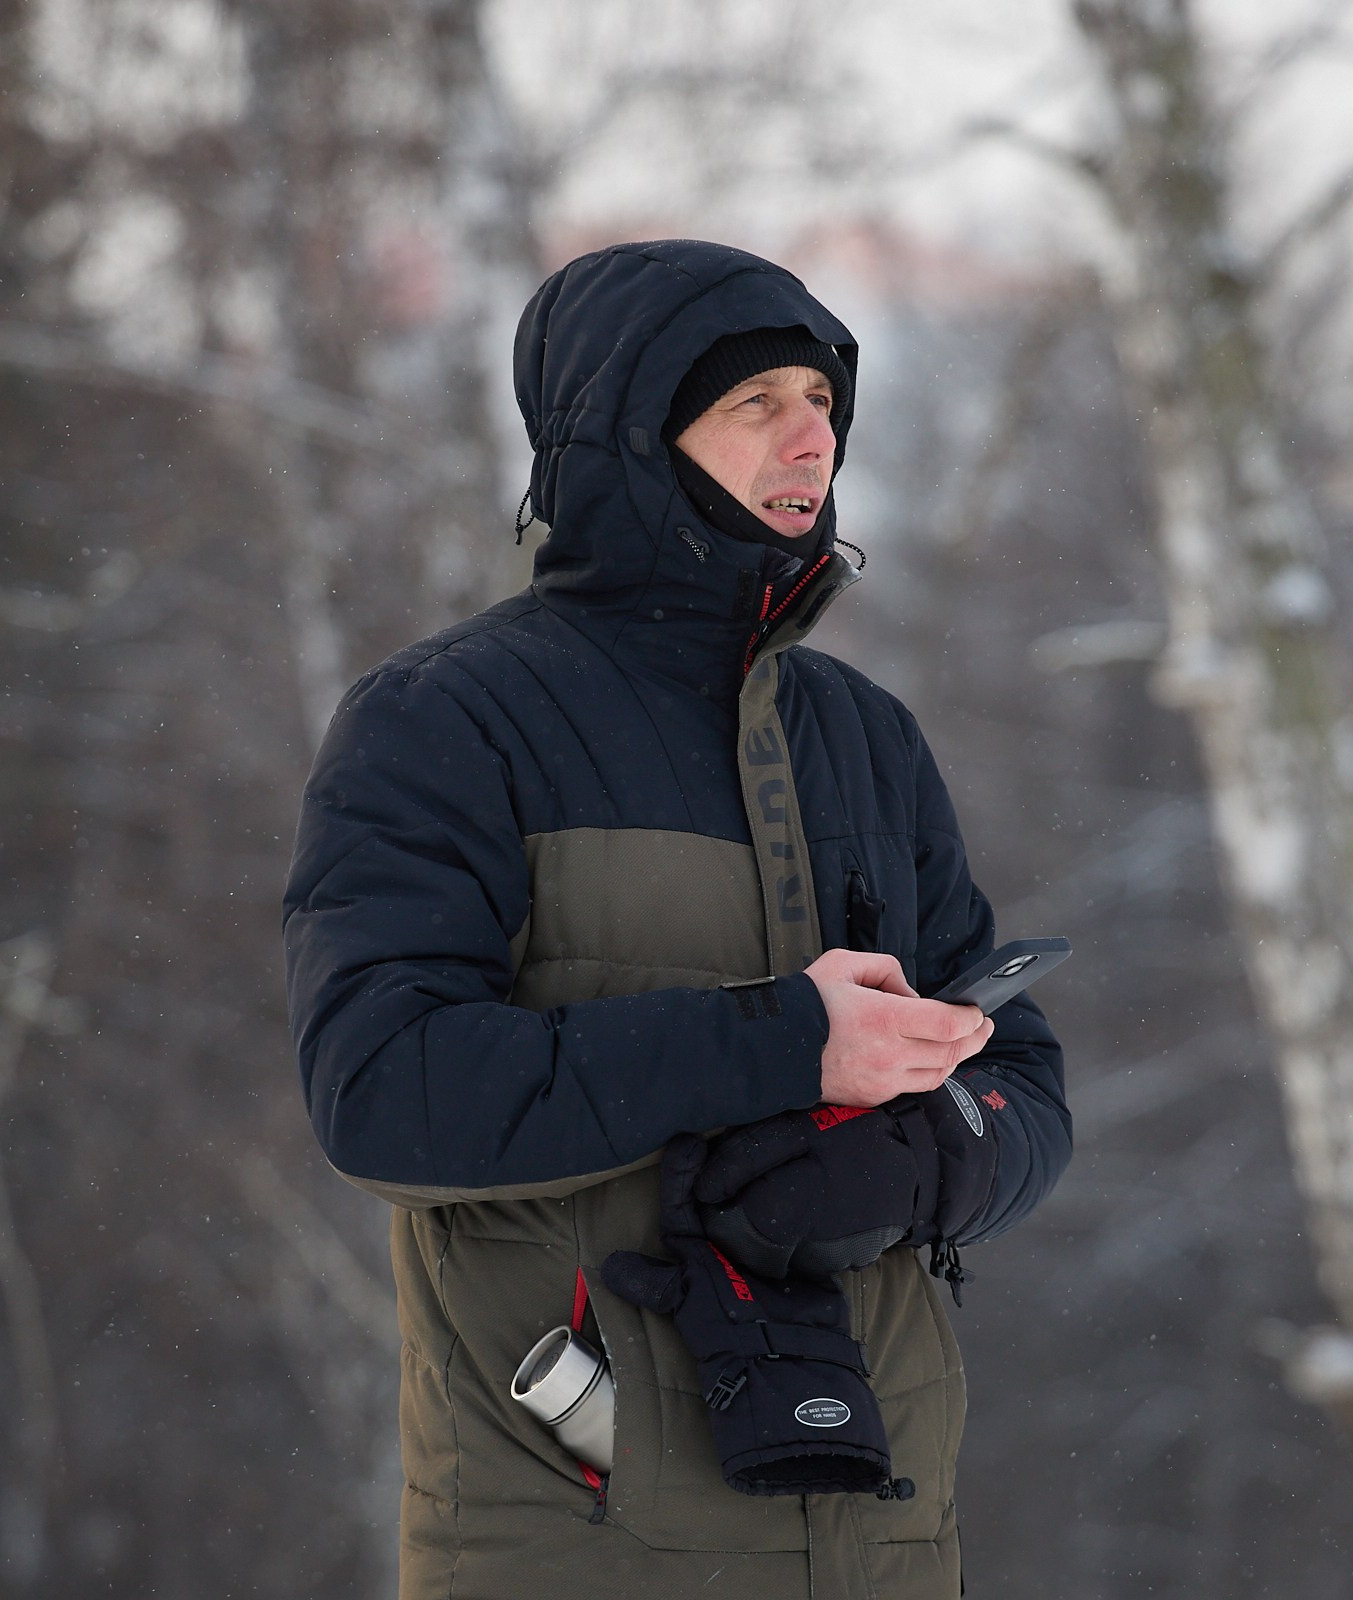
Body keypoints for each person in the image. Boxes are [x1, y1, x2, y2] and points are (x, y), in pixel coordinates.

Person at [282, 239, 1071, 1599]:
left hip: (875, 1537)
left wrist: (932, 1160)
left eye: (821, 400)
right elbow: (385, 1094)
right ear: (632, 442)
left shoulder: (868, 739)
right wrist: (779, 1049)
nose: (808, 435)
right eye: (752, 403)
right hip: (574, 1537)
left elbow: (1030, 1090)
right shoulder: (448, 721)